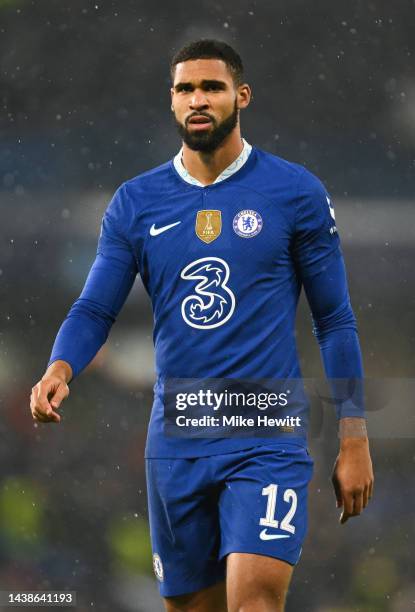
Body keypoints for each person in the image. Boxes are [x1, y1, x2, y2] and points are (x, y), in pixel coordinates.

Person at [30, 39, 374, 612]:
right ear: (170, 102)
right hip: (179, 437)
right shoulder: (137, 203)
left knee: (256, 602)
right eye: (185, 89)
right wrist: (59, 368)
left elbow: (334, 320)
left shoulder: (294, 193)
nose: (197, 99)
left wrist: (354, 435)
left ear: (241, 97)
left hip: (267, 433)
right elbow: (95, 309)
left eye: (211, 87)